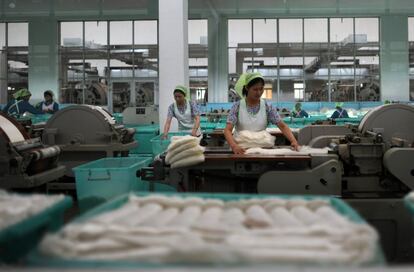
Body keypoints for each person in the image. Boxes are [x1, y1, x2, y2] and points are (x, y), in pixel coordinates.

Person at [224, 72, 300, 154]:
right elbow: (227, 130)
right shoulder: (237, 106)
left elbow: (282, 125)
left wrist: (293, 141)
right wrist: (234, 146)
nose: (259, 92)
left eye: (261, 89)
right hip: (241, 150)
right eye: (255, 89)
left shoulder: (267, 107)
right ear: (247, 88)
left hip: (262, 150)